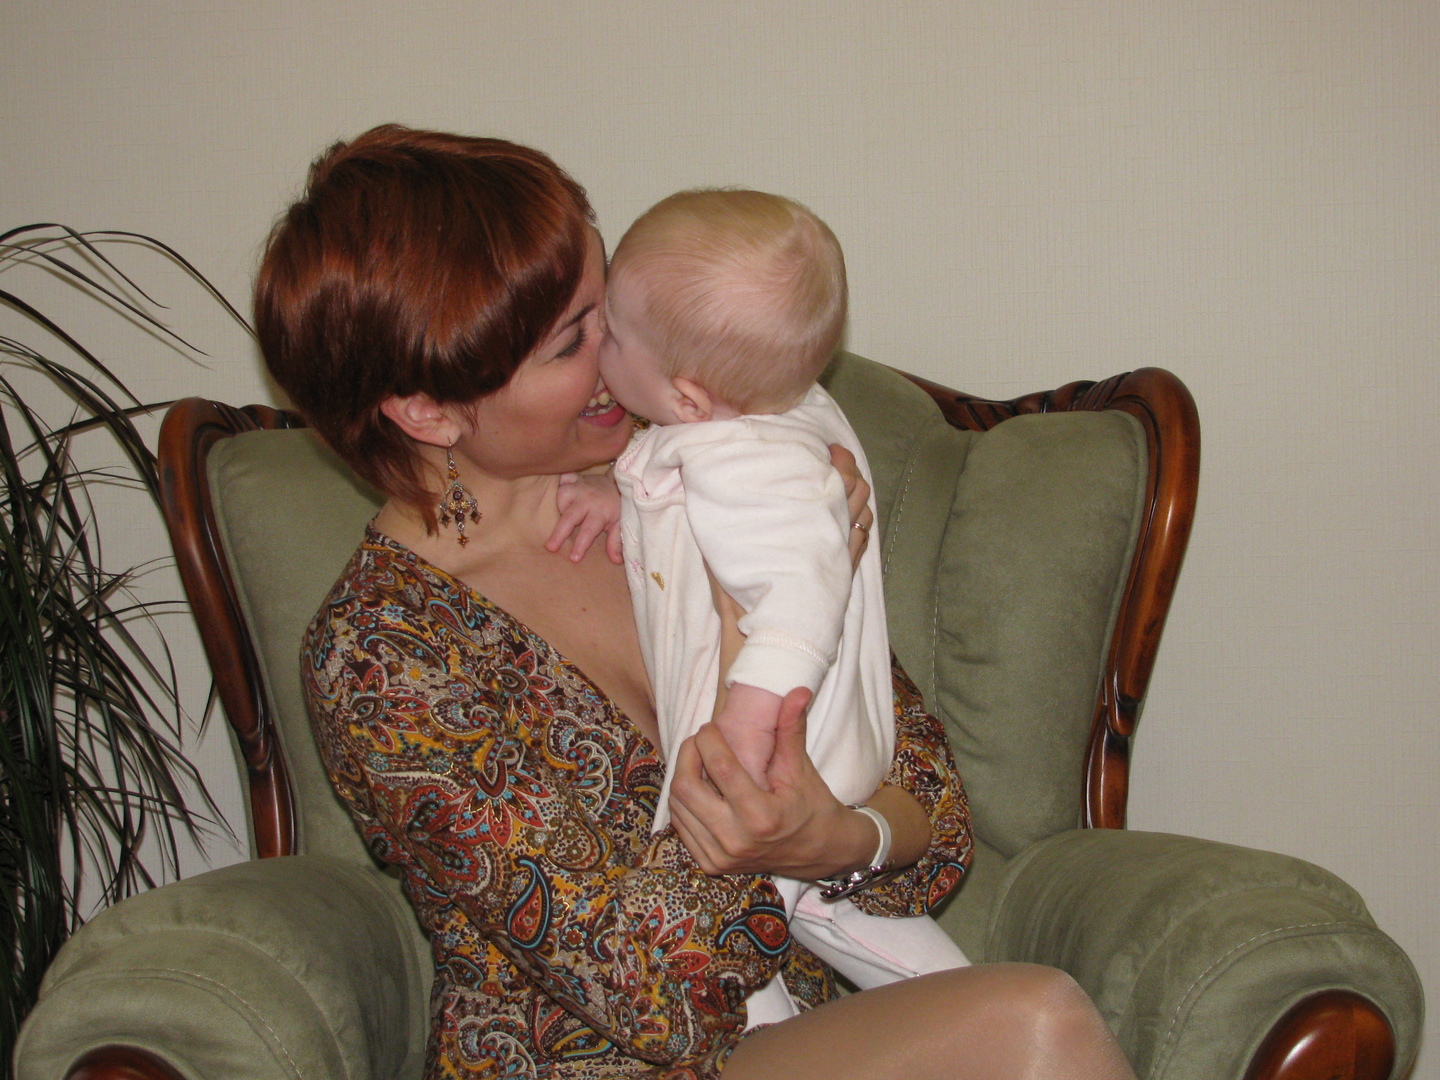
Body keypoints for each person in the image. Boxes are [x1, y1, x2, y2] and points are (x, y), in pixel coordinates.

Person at [255, 123, 1137, 1080]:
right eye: (572, 341)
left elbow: (929, 798)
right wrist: (740, 625)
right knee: (1034, 1023)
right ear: (426, 410)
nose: (623, 350)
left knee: (1024, 1021)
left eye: (609, 306)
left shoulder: (699, 467)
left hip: (832, 1036)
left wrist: (839, 839)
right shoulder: (383, 655)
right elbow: (655, 990)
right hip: (616, 1061)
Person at [548, 189, 968, 1022]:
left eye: (610, 333)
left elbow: (795, 598)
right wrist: (618, 492)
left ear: (690, 398)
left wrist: (745, 731)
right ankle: (976, 1011)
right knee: (867, 939)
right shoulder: (775, 412)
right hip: (828, 766)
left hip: (776, 757)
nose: (599, 351)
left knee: (750, 979)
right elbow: (688, 493)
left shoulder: (755, 464)